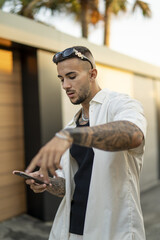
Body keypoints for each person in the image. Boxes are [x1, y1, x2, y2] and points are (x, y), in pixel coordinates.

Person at [25, 46, 147, 240]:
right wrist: (47, 183)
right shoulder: (72, 125)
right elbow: (69, 185)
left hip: (112, 230)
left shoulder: (121, 105)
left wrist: (72, 136)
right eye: (61, 79)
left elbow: (133, 134)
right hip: (72, 230)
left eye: (71, 76)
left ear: (92, 74)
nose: (65, 85)